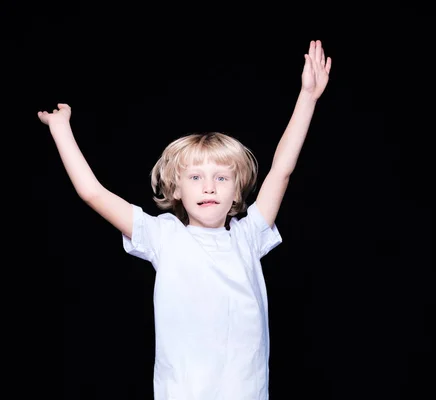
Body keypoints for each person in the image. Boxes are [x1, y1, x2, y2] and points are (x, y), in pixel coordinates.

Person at [40, 40, 332, 399]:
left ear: (236, 193)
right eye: (195, 177)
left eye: (221, 178)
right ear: (175, 189)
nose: (209, 187)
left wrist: (308, 97)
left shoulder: (249, 235)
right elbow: (93, 193)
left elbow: (281, 171)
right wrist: (60, 128)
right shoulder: (162, 236)